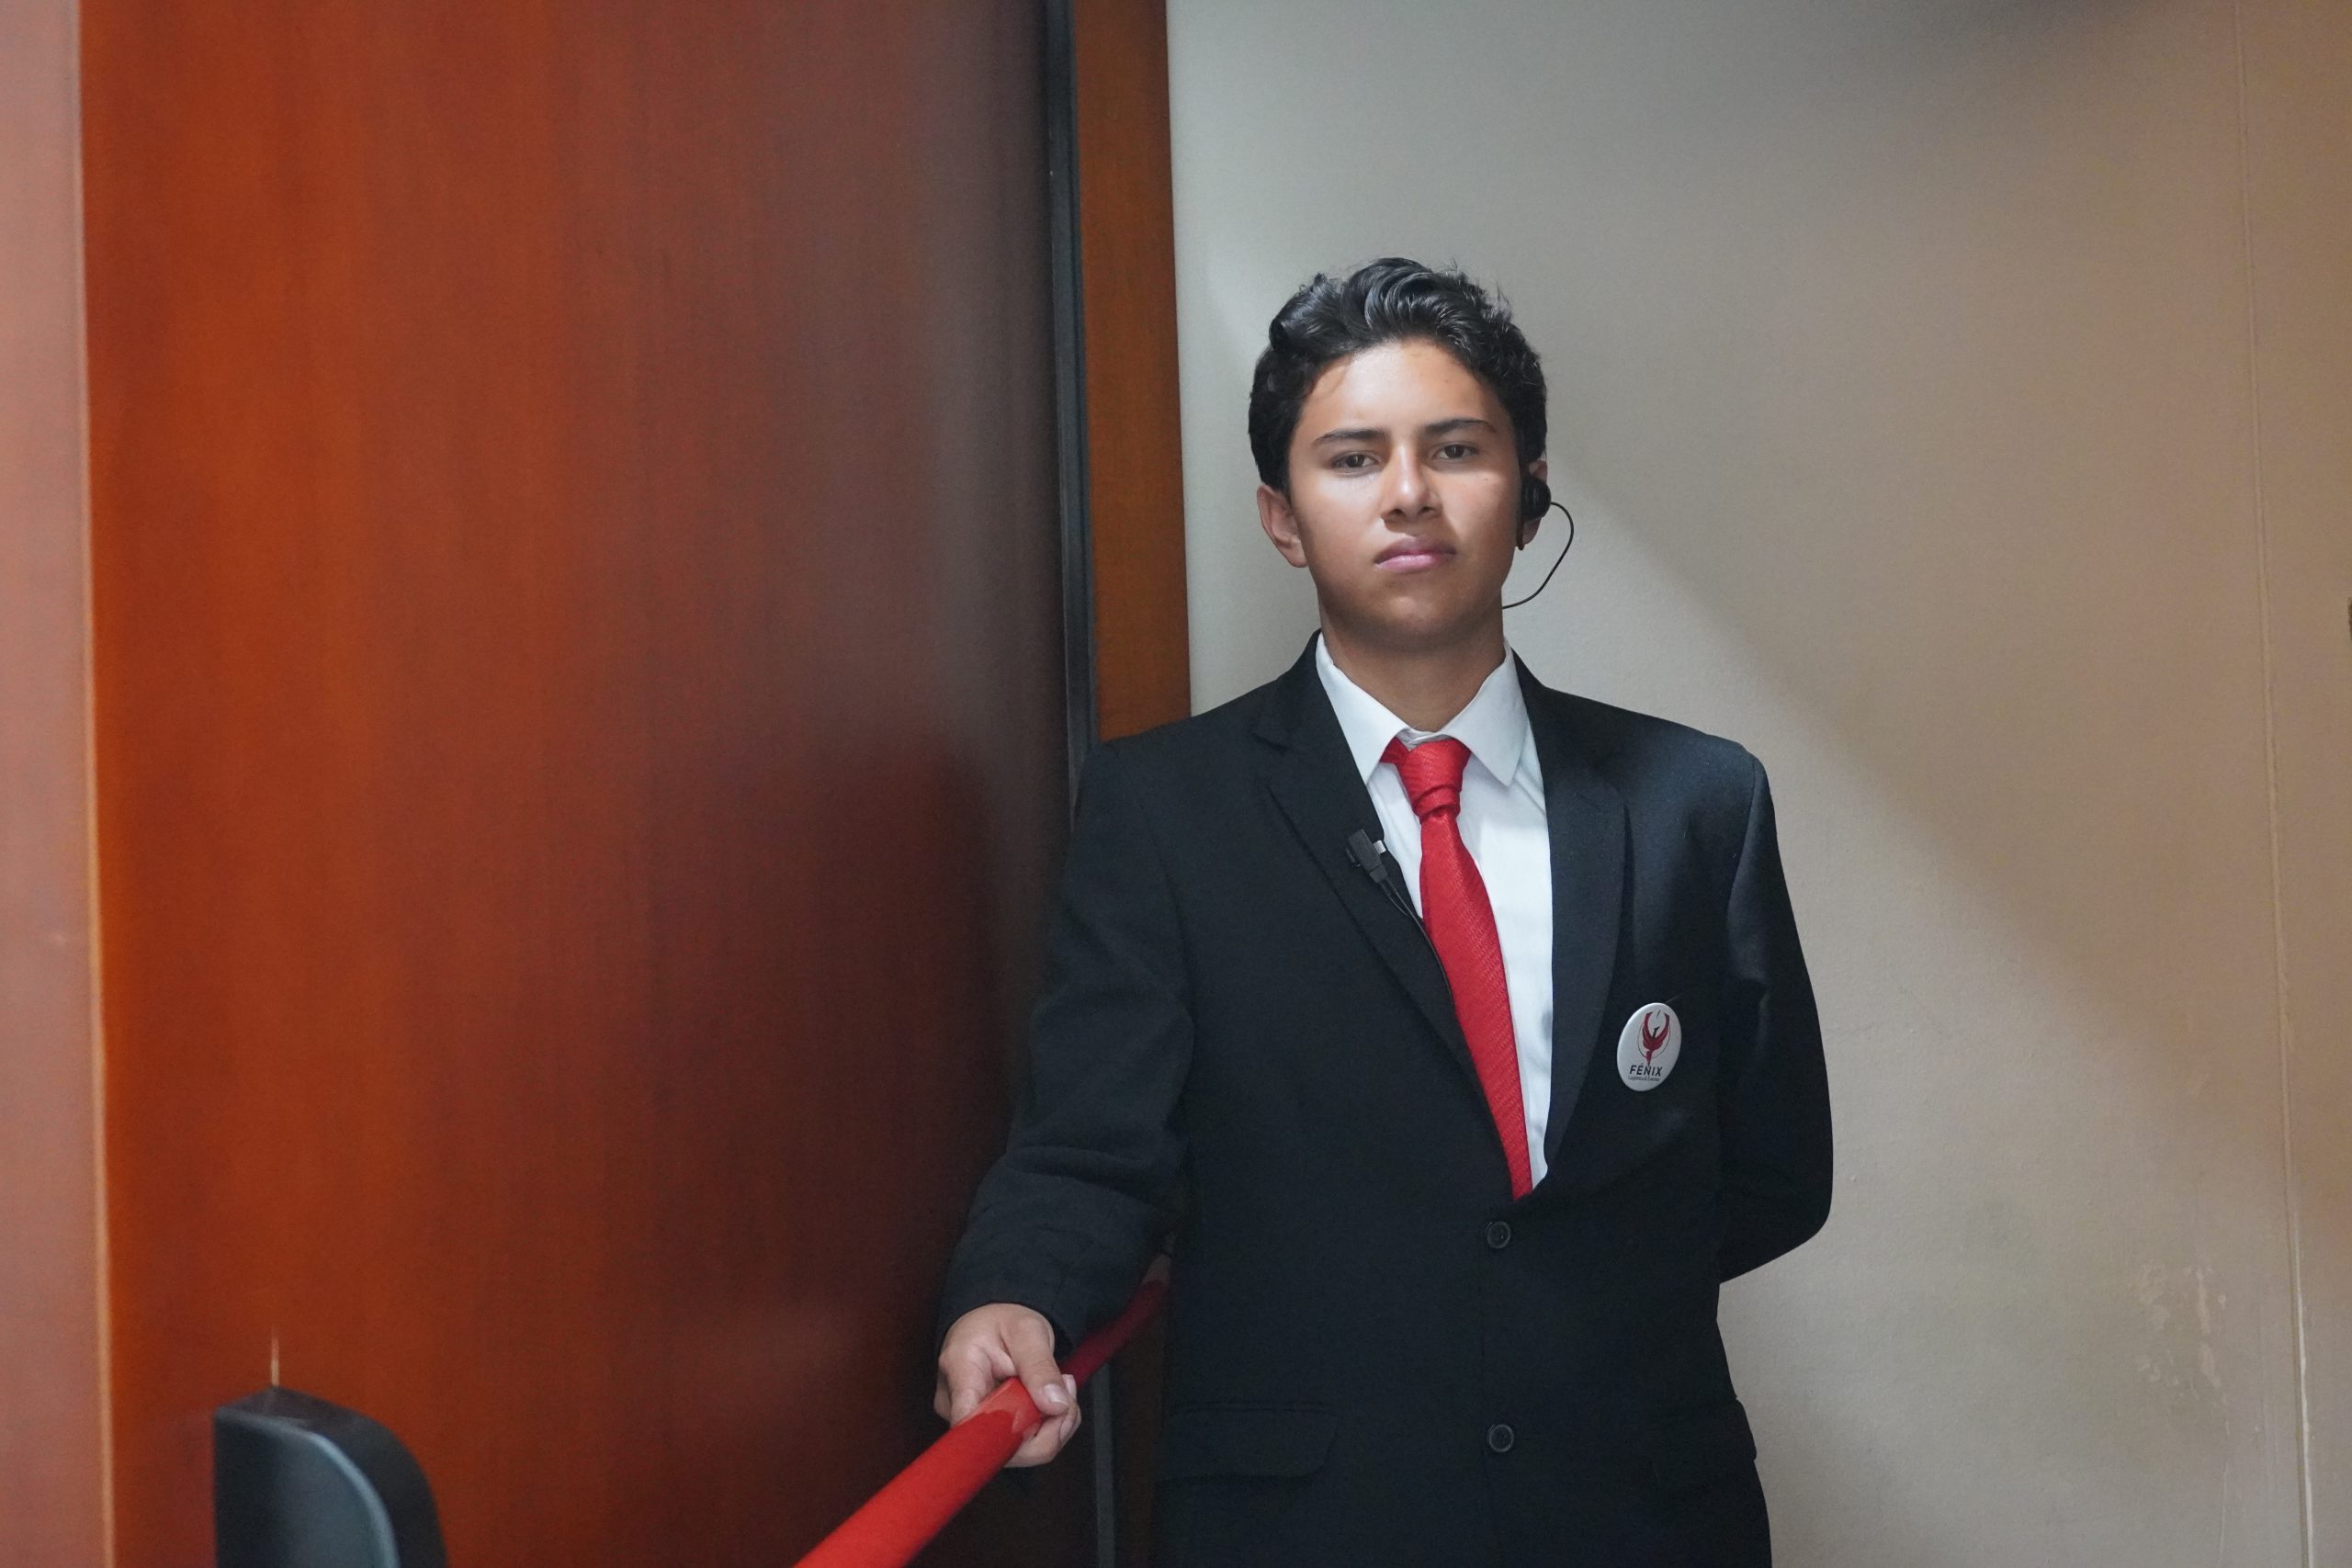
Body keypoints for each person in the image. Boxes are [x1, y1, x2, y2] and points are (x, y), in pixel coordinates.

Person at [933, 257, 1832, 1566]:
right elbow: (1091, 1148)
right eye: (1352, 459)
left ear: (1528, 495)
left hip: (1641, 1504)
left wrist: (1567, 1305)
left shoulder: (1696, 801)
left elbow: (1773, 1167)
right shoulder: (1166, 812)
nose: (1409, 492)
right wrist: (1013, 1296)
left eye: (1456, 449)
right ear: (1283, 518)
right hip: (1306, 1520)